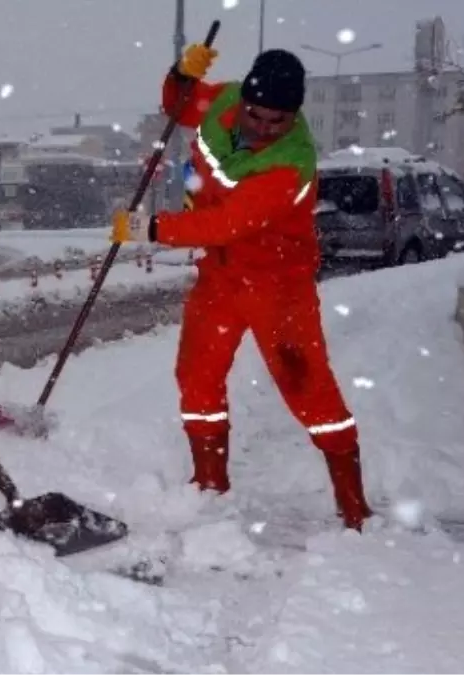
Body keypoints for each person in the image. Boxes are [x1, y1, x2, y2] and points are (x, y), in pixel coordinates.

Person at [110, 46, 372, 531]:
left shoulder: (291, 164)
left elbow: (227, 223)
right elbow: (179, 106)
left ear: (293, 116)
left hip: (279, 285)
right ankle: (210, 487)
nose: (263, 128)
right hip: (221, 276)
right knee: (196, 375)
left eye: (277, 121)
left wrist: (151, 229)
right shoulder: (225, 102)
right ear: (244, 100)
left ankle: (353, 505)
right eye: (256, 115)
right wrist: (180, 75)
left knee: (308, 390)